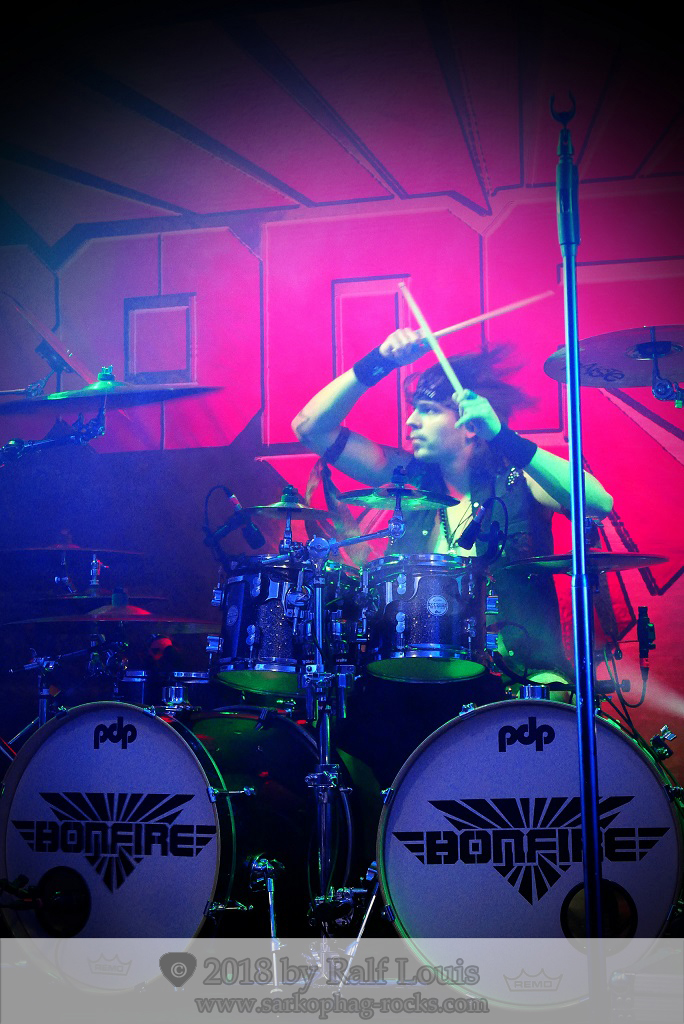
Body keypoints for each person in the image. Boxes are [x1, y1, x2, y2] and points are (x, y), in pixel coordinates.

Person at [291, 328, 614, 864]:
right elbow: (310, 427)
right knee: (353, 726)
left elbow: (598, 501)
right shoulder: (409, 479)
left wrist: (505, 436)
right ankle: (387, 868)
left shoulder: (519, 478)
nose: (410, 422)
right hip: (421, 677)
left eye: (427, 410)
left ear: (467, 425)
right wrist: (378, 359)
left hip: (516, 677)